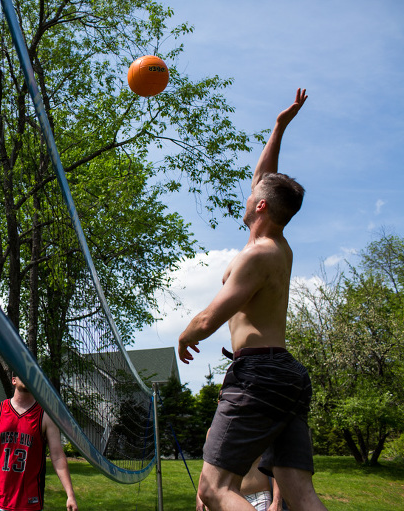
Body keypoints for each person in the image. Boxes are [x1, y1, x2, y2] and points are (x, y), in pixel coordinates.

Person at [178, 88, 327, 511]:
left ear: (260, 206)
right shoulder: (277, 244)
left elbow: (209, 319)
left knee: (214, 489)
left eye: (251, 196)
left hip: (258, 374)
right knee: (299, 492)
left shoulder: (257, 254)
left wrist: (187, 335)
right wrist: (279, 128)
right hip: (287, 378)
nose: (246, 195)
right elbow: (265, 179)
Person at [0, 373, 78, 511]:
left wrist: (70, 494)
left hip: (27, 504)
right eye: (23, 372)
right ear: (13, 380)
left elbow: (57, 456)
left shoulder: (46, 416)